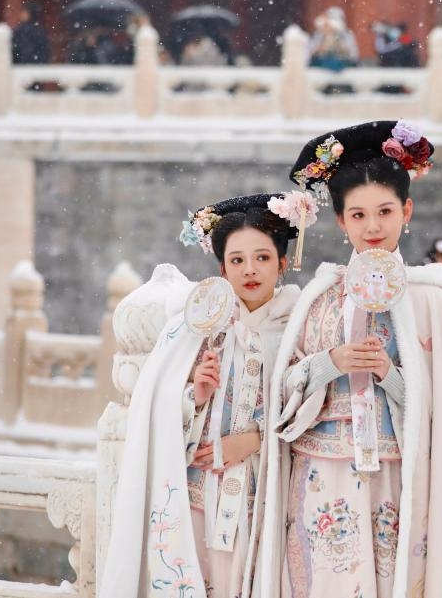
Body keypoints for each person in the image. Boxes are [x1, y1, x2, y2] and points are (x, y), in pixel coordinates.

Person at [260, 120, 442, 598]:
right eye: (359, 215)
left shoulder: (430, 299)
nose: (373, 226)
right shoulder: (321, 295)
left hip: (396, 474)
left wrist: (388, 374)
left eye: (385, 211)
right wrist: (330, 362)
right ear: (341, 221)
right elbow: (281, 389)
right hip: (319, 471)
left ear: (406, 211)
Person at [100, 193, 306, 598]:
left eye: (263, 258)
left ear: (283, 264)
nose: (250, 270)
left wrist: (256, 439)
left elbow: (313, 409)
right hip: (194, 495)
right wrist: (195, 393)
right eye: (237, 260)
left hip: (262, 497)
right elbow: (153, 409)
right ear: (221, 269)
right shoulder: (196, 328)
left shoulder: (297, 328)